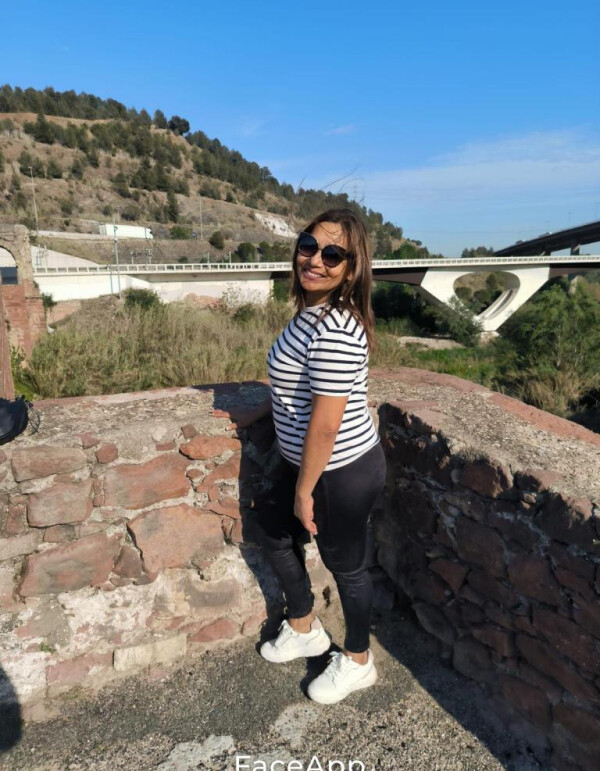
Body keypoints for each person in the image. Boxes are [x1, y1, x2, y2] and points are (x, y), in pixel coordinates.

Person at [213, 208, 386, 704]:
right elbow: (295, 386)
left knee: (346, 565)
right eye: (308, 246)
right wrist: (259, 410)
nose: (314, 259)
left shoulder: (336, 330)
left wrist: (305, 491)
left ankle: (358, 660)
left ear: (350, 269)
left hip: (340, 471)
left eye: (332, 254)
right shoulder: (309, 315)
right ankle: (305, 625)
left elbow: (327, 424)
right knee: (272, 530)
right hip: (306, 463)